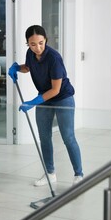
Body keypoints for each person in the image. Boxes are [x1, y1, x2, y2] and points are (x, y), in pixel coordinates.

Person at [8, 25, 84, 186]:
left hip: (62, 97)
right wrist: (17, 68)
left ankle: (79, 175)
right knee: (44, 137)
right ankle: (50, 173)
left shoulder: (54, 58)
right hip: (44, 97)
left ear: (46, 40)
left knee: (68, 137)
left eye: (41, 43)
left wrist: (33, 102)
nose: (38, 47)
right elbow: (29, 67)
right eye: (33, 44)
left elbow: (55, 90)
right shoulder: (31, 53)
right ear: (28, 43)